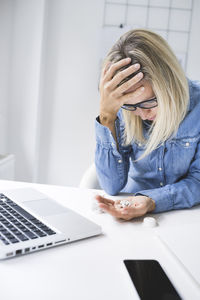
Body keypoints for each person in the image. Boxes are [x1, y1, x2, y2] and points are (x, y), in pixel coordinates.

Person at [94, 29, 200, 221]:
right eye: (131, 106)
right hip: (133, 215)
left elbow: (198, 182)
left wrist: (151, 201)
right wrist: (107, 116)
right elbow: (111, 186)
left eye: (149, 103)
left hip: (186, 216)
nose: (141, 114)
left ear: (169, 84)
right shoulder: (121, 108)